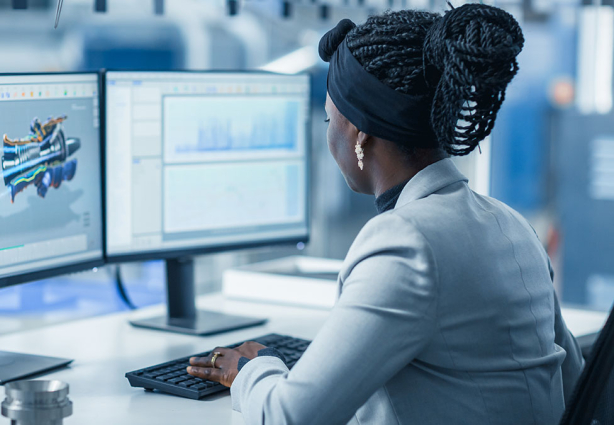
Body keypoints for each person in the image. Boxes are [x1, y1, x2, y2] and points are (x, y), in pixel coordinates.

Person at [186, 4, 584, 425]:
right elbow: (575, 382)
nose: (326, 133)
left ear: (360, 136)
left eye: (328, 117)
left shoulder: (406, 243)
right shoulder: (512, 225)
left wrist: (253, 370)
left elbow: (291, 416)